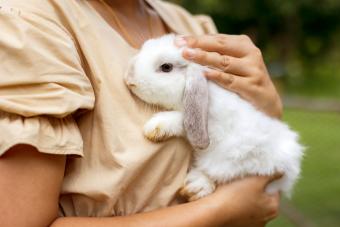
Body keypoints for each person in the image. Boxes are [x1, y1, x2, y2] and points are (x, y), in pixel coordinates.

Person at [0, 0, 283, 226]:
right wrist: (222, 210)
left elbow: (262, 183)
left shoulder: (188, 24)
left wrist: (267, 110)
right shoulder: (29, 24)